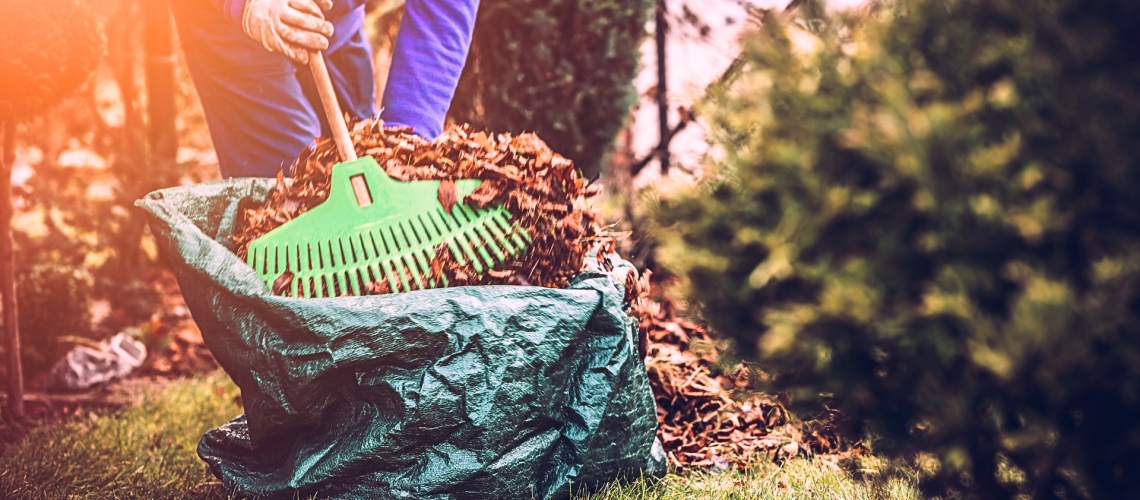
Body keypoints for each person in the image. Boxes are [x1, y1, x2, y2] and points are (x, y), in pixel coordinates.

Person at [171, 0, 480, 178]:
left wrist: (407, 143)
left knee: (371, 154)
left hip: (336, 23)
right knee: (291, 187)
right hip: (234, 30)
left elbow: (444, 8)